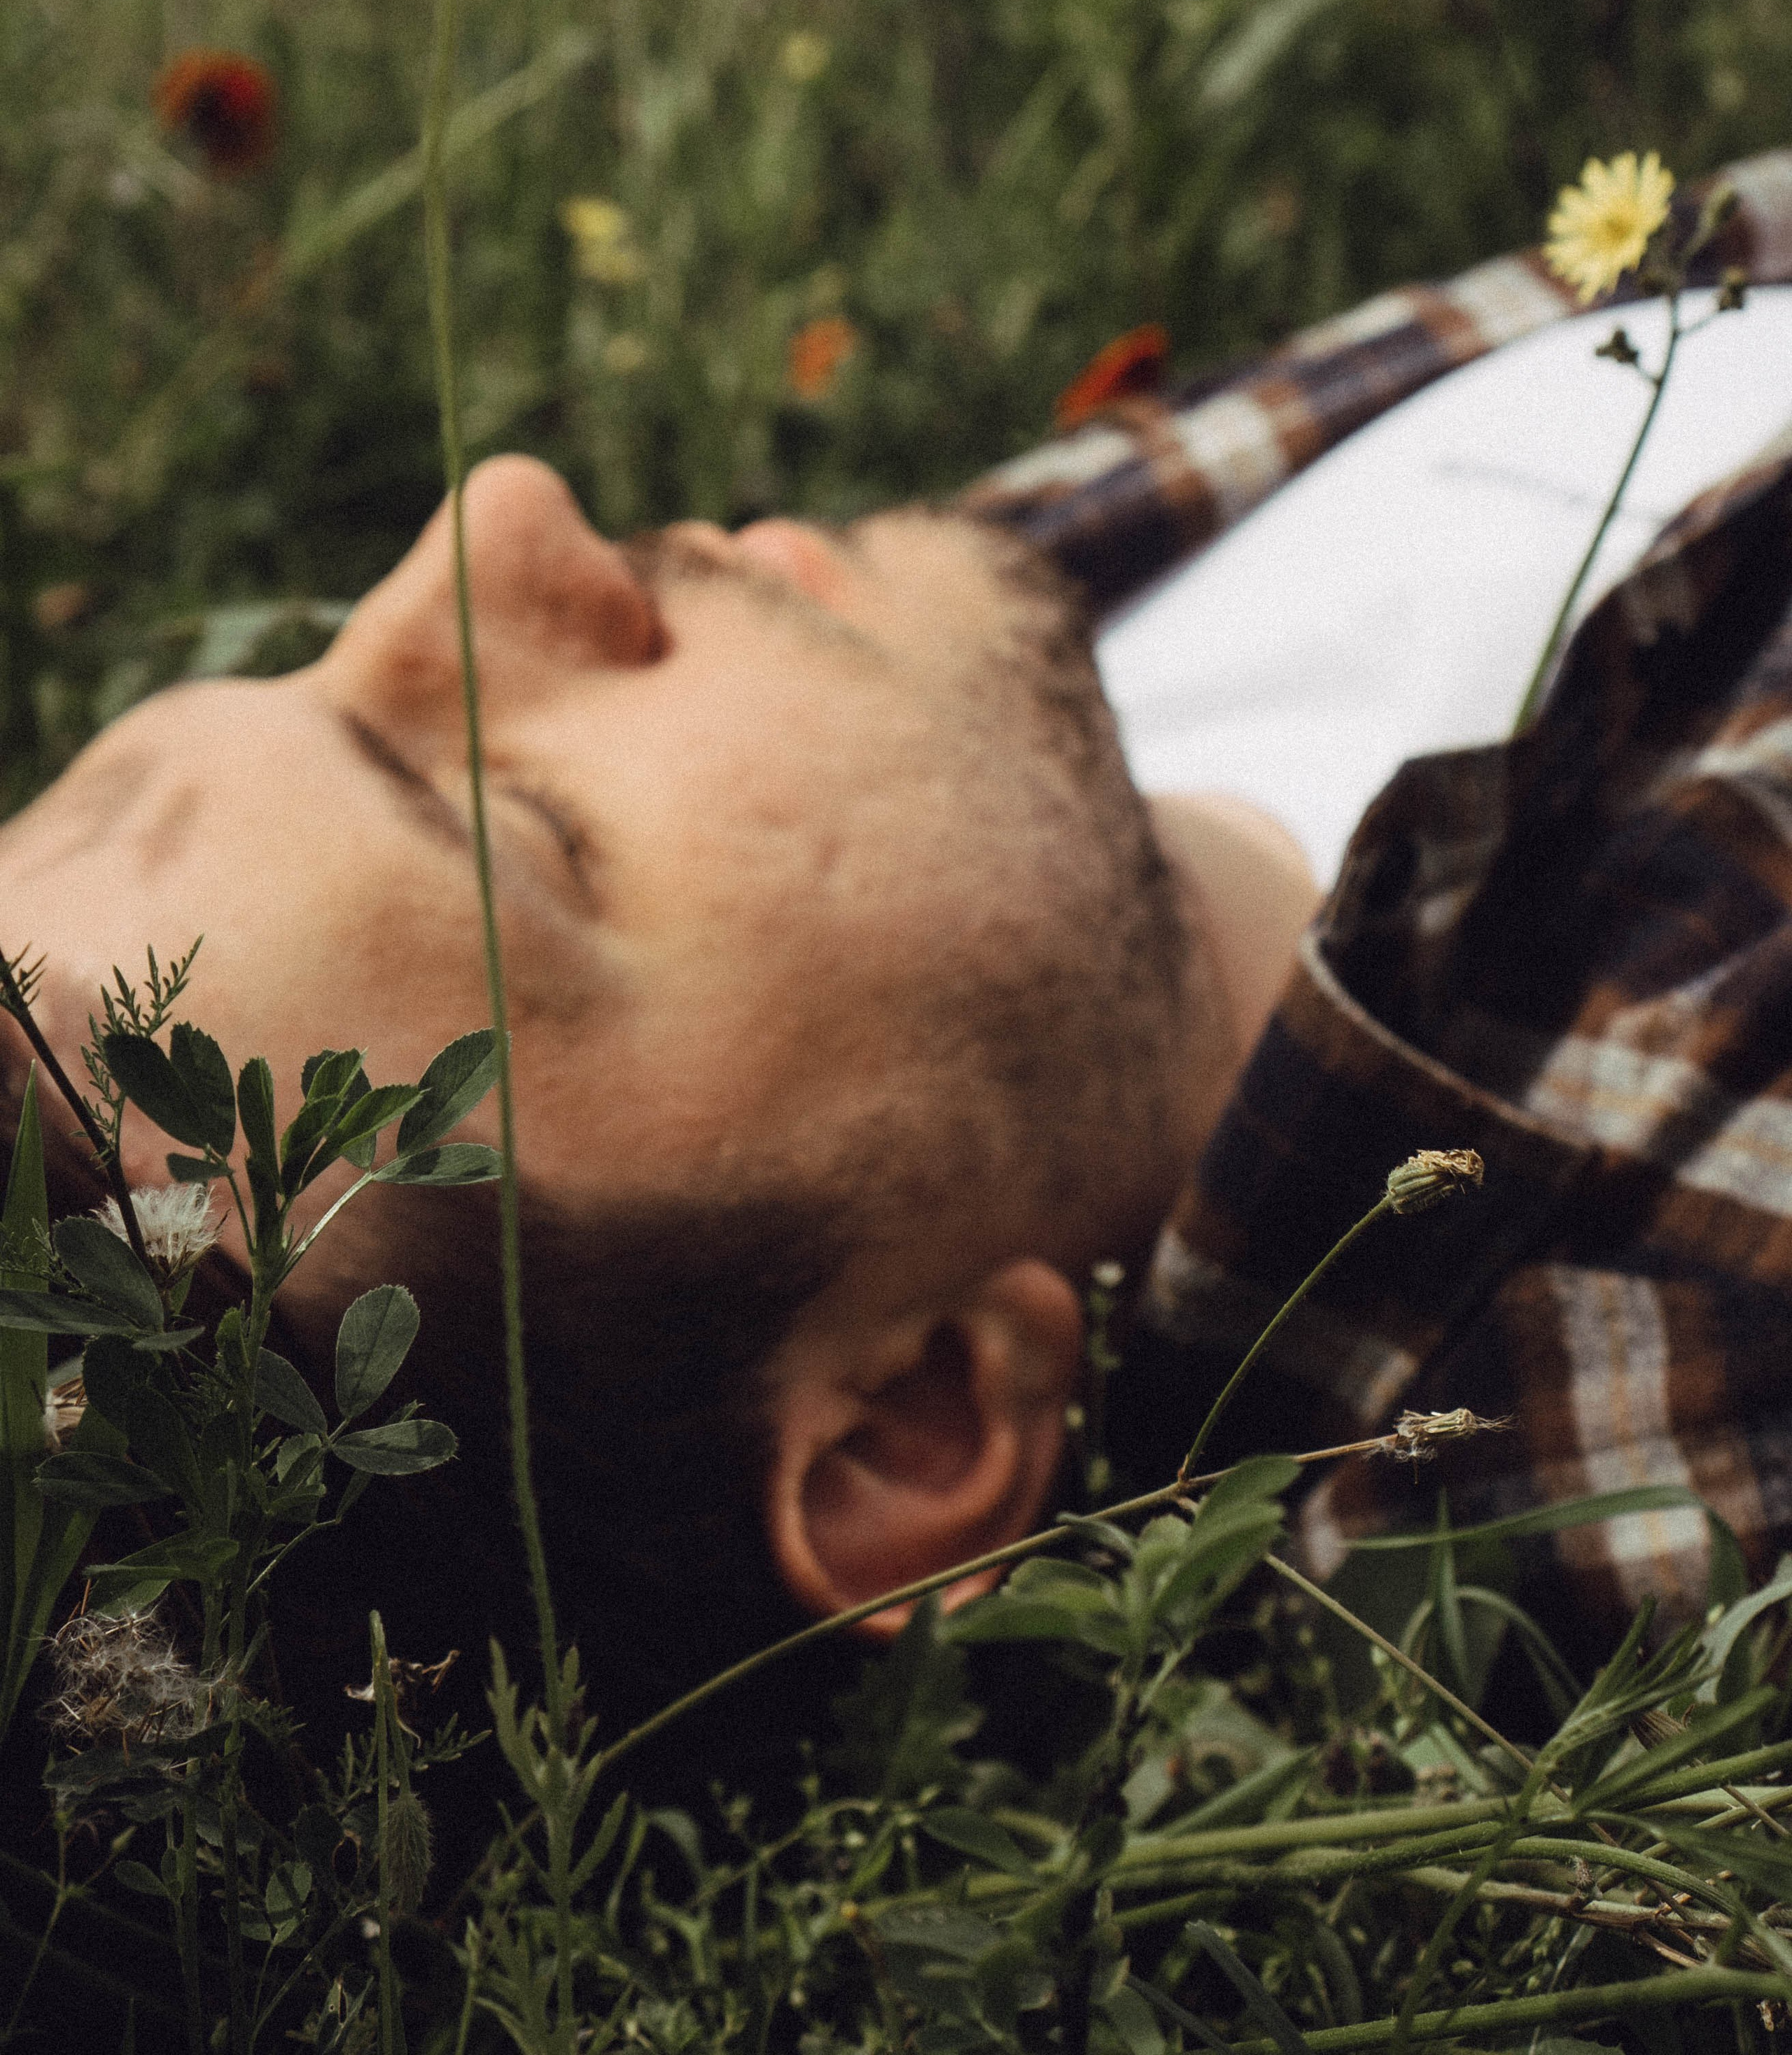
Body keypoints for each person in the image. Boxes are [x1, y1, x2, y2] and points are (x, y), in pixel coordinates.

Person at [4, 153, 1792, 1725]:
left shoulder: (971, 705)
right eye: (529, 828)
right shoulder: (1666, 1371)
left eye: (298, 664)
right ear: (906, 1424)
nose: (503, 518)